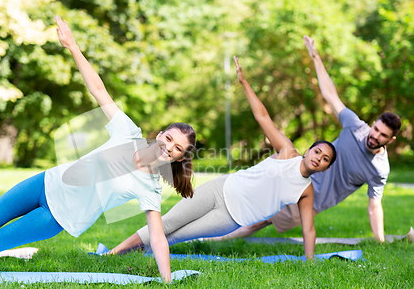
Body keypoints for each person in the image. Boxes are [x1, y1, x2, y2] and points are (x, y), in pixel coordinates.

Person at [0, 16, 196, 283]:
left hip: (58, 215)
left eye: (177, 148)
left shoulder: (150, 187)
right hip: (44, 182)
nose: (169, 147)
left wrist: (167, 278)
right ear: (160, 134)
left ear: (180, 157)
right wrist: (73, 48)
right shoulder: (128, 132)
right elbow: (98, 90)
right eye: (169, 138)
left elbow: (157, 237)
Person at [109, 56, 337, 261]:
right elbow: (262, 116)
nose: (319, 158)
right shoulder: (287, 152)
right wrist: (244, 82)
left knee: (176, 236)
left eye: (325, 159)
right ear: (308, 150)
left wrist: (310, 262)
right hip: (221, 188)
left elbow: (309, 229)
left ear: (325, 168)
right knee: (167, 223)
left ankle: (138, 255)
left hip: (230, 217)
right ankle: (115, 253)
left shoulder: (306, 191)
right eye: (318, 151)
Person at [208, 36, 401, 243]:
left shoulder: (379, 169)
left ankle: (210, 242)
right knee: (247, 198)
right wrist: (315, 56)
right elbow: (330, 94)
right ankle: (204, 230)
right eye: (376, 130)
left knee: (260, 221)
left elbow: (374, 204)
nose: (375, 136)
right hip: (297, 171)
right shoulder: (355, 126)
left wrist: (380, 239)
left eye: (383, 136)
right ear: (373, 124)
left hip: (313, 199)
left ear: (391, 140)